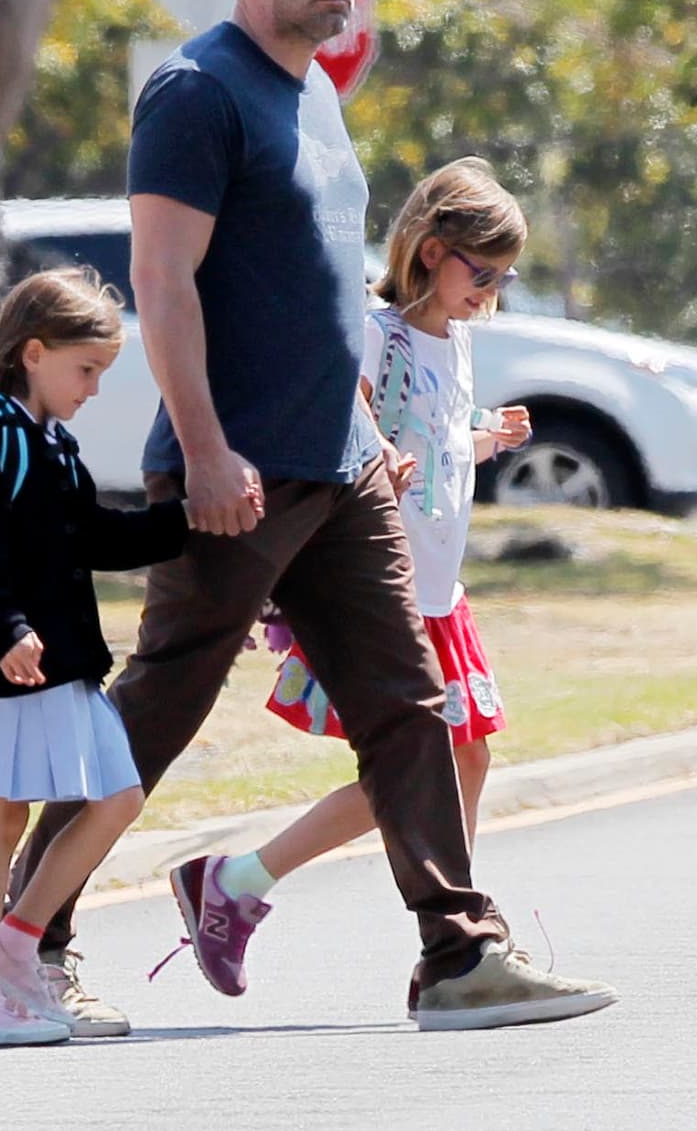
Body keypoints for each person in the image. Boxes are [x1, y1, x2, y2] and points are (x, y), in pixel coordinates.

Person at [9, 0, 616, 1033]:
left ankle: (459, 954)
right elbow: (162, 283)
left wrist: (368, 433)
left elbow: (326, 292)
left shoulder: (317, 96)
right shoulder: (196, 90)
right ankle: (24, 947)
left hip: (340, 471)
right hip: (237, 470)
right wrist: (204, 446)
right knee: (152, 716)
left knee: (409, 705)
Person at [186, 156, 531, 1016]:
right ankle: (252, 884)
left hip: (442, 590)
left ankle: (452, 939)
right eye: (477, 271)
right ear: (427, 249)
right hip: (384, 585)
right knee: (418, 765)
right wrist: (376, 448)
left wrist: (485, 438)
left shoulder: (455, 338)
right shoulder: (379, 330)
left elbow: (440, 435)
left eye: (502, 277)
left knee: (465, 755)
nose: (487, 292)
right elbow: (345, 409)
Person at [0, 268, 188, 1047]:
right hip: (7, 663)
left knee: (118, 795)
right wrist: (5, 627)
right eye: (87, 370)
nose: (94, 389)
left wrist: (192, 518)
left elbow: (97, 535)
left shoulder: (49, 442)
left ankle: (19, 940)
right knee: (2, 822)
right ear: (33, 352)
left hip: (64, 665)